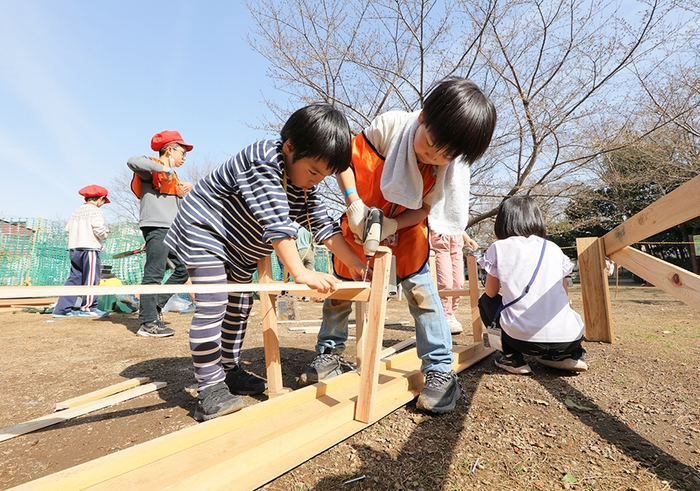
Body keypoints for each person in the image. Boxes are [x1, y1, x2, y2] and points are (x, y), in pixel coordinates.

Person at [299, 78, 497, 414]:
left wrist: (393, 225)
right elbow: (345, 160)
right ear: (422, 117)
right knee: (342, 293)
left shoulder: (445, 170)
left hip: (406, 235)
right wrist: (353, 204)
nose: (431, 155)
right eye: (430, 143)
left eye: (445, 154)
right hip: (358, 227)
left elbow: (424, 209)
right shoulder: (390, 127)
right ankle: (327, 356)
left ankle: (438, 371)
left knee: (423, 298)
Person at [164, 104, 367, 422]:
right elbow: (276, 224)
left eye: (324, 177)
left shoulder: (302, 187)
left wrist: (356, 263)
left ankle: (228, 370)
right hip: (205, 229)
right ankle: (209, 387)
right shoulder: (264, 159)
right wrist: (300, 271)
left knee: (239, 306)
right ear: (290, 148)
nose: (315, 182)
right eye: (313, 171)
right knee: (214, 301)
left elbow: (323, 225)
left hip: (242, 246)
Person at [477, 196, 587, 374]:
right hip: (568, 339)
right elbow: (564, 294)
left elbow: (490, 293)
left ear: (504, 220)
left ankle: (512, 358)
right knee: (561, 305)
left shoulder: (498, 247)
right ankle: (568, 355)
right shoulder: (553, 248)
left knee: (486, 301)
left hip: (520, 339)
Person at [127, 131, 194, 338]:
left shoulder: (173, 177)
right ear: (169, 150)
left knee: (182, 270)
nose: (184, 157)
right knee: (154, 273)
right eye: (182, 152)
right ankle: (147, 323)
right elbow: (132, 161)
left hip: (170, 229)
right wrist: (163, 167)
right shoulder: (152, 167)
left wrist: (185, 190)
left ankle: (153, 306)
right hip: (157, 227)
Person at [52, 185, 111, 318]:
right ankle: (88, 308)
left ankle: (61, 309)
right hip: (89, 249)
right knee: (91, 279)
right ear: (101, 198)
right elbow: (99, 230)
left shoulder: (76, 211)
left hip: (74, 248)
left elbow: (68, 229)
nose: (103, 204)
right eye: (103, 201)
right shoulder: (96, 211)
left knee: (74, 278)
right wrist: (106, 234)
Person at [430, 229, 478, 334]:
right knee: (446, 283)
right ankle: (446, 315)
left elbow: (457, 221)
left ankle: (451, 314)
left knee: (459, 284)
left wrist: (467, 238)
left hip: (457, 241)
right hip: (441, 238)